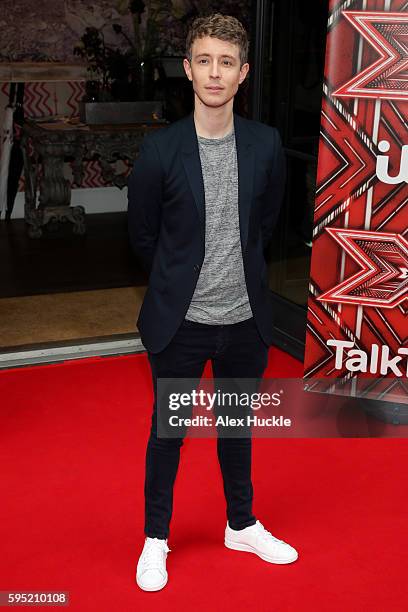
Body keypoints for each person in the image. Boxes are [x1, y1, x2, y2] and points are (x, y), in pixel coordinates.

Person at [128, 13, 298, 592]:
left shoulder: (266, 144)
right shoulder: (159, 150)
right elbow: (144, 236)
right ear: (188, 69)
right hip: (182, 324)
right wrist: (178, 286)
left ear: (243, 72)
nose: (215, 73)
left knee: (236, 428)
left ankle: (241, 524)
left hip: (246, 322)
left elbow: (266, 222)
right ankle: (156, 538)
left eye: (227, 62)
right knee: (168, 433)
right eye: (204, 60)